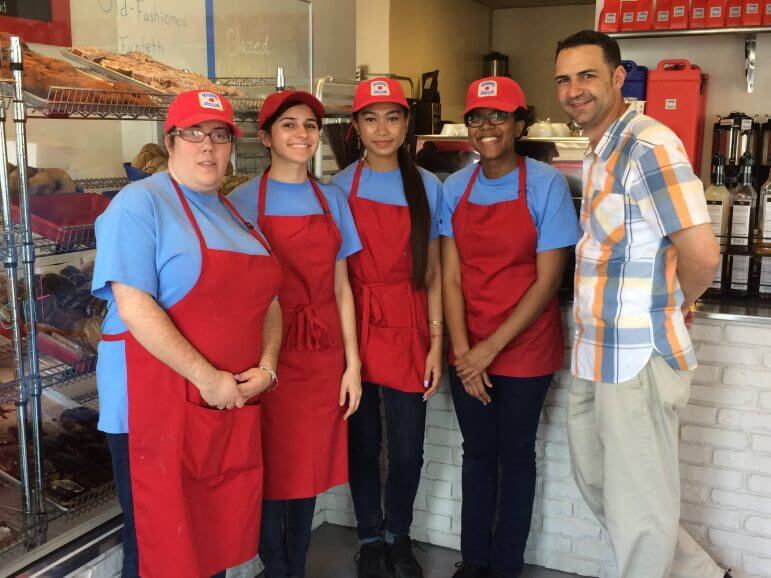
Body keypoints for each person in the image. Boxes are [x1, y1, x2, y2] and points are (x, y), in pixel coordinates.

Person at [555, 30, 729, 578]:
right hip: (594, 352)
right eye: (564, 79)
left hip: (635, 357)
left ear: (616, 78)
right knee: (599, 480)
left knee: (641, 508)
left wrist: (679, 305)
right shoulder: (601, 148)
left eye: (587, 75)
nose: (574, 89)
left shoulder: (648, 144)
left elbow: (702, 253)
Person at [92, 90, 282, 578]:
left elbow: (271, 301)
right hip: (155, 405)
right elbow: (134, 306)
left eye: (219, 135)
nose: (207, 146)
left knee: (211, 539)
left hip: (221, 404)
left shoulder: (236, 213)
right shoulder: (138, 204)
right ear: (169, 140)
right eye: (193, 133)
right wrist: (206, 377)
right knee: (161, 547)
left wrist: (267, 367)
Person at [440, 77, 579, 578]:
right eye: (477, 116)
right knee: (476, 453)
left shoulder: (545, 184)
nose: (487, 126)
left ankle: (506, 566)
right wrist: (462, 351)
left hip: (524, 346)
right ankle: (474, 560)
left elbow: (548, 281)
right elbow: (451, 276)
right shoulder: (455, 188)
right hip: (469, 343)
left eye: (499, 115)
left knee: (515, 456)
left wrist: (487, 351)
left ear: (521, 123)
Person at [228, 90, 362, 578]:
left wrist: (354, 366)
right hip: (265, 352)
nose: (302, 134)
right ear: (265, 137)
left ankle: (295, 567)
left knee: (306, 469)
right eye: (289, 125)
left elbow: (344, 288)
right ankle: (275, 565)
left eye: (310, 125)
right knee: (266, 464)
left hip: (321, 354)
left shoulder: (334, 200)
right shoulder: (240, 201)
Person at [331, 77, 443, 578]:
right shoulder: (338, 187)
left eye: (392, 117)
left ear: (406, 126)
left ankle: (401, 534)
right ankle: (371, 538)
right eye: (370, 118)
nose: (382, 129)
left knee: (407, 445)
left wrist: (437, 342)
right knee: (360, 441)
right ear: (355, 127)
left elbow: (436, 271)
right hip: (355, 326)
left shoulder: (430, 185)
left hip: (410, 327)